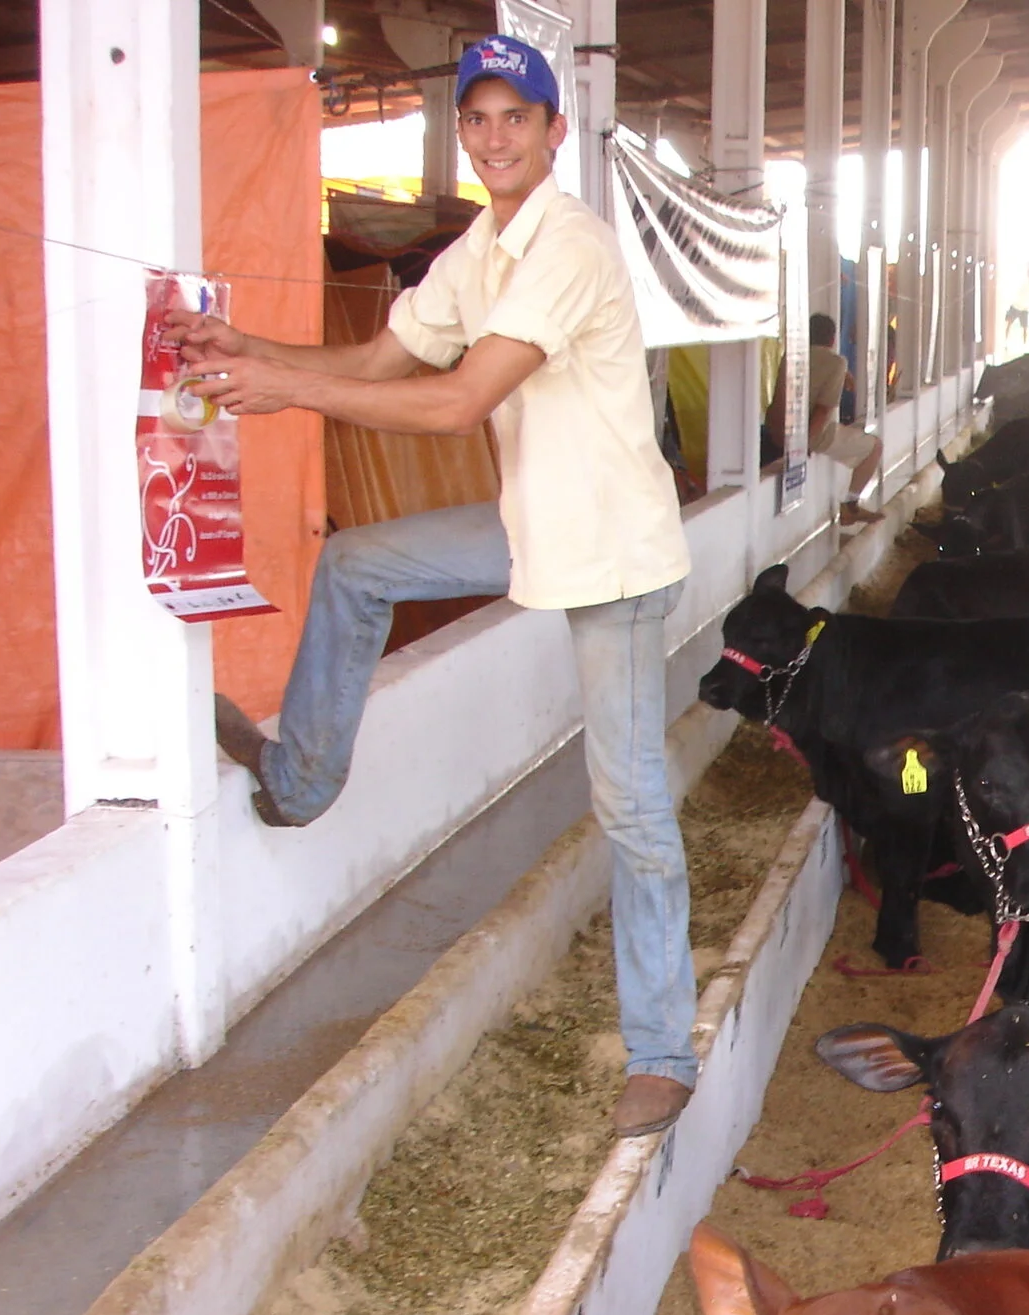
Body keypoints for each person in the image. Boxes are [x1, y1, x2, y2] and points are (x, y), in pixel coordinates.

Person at [169, 35, 701, 1139]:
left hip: (611, 549)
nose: (496, 137)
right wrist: (247, 347)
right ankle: (298, 779)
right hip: (533, 523)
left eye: (517, 118)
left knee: (630, 803)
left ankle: (661, 1052)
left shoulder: (570, 245)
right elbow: (382, 361)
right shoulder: (480, 247)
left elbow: (459, 403)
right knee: (357, 563)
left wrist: (280, 387)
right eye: (478, 119)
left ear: (554, 132)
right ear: (463, 132)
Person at [805, 311, 882, 528]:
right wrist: (805, 445)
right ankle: (850, 506)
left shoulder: (793, 356)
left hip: (785, 430)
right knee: (875, 447)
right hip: (815, 433)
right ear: (832, 339)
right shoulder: (837, 362)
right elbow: (823, 409)